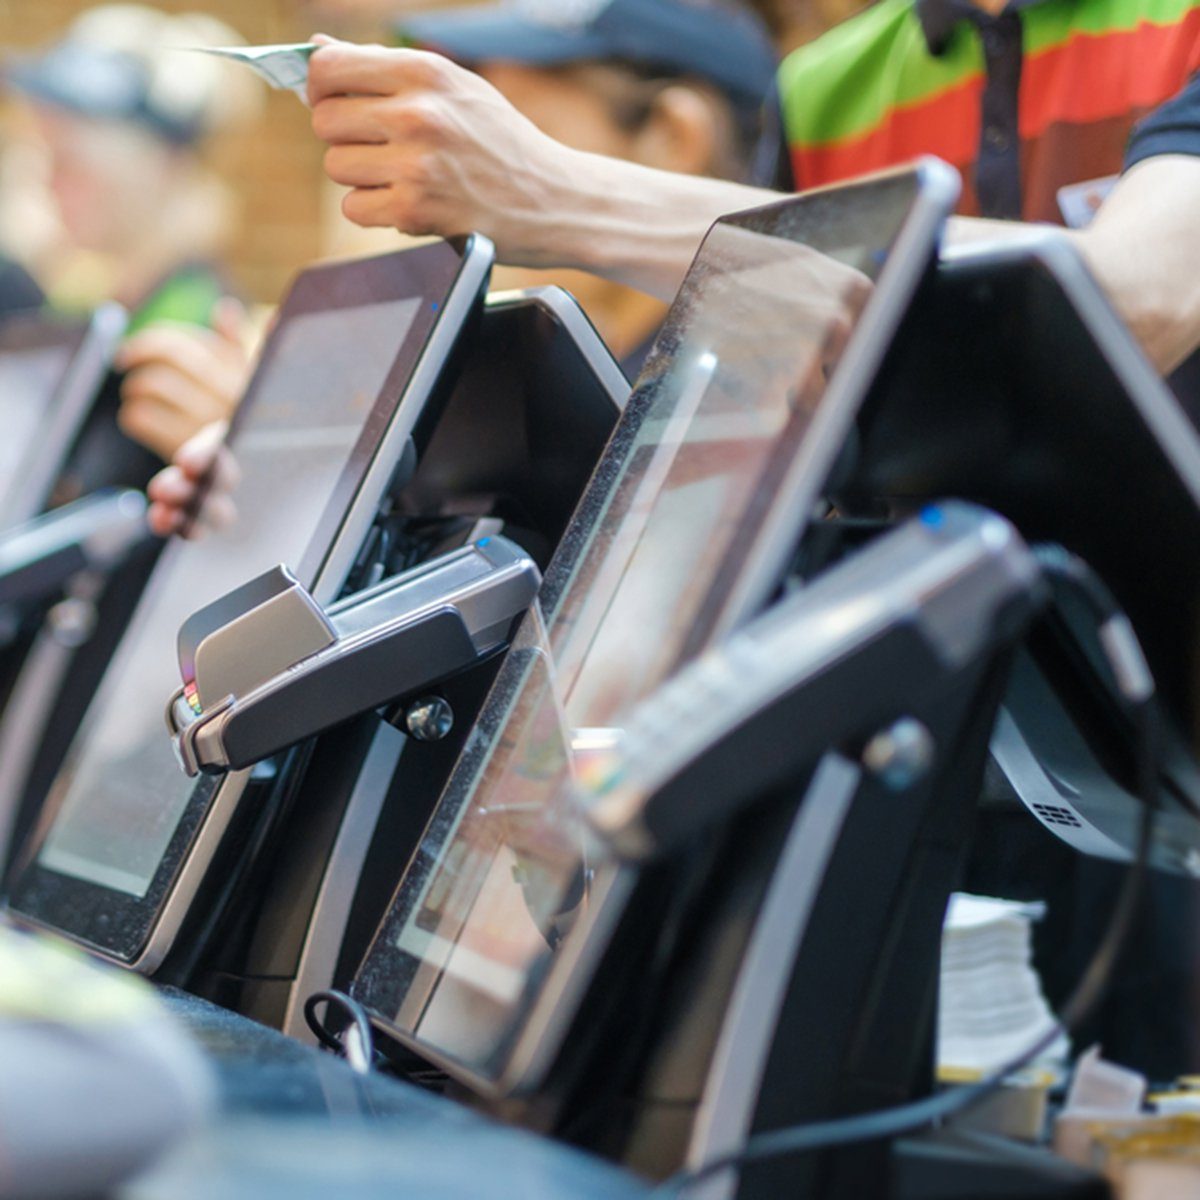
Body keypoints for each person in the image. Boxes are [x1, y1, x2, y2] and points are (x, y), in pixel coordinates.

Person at [3, 5, 262, 472]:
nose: (51, 183)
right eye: (49, 157)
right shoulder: (102, 300)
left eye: (73, 163)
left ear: (165, 165)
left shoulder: (191, 326)